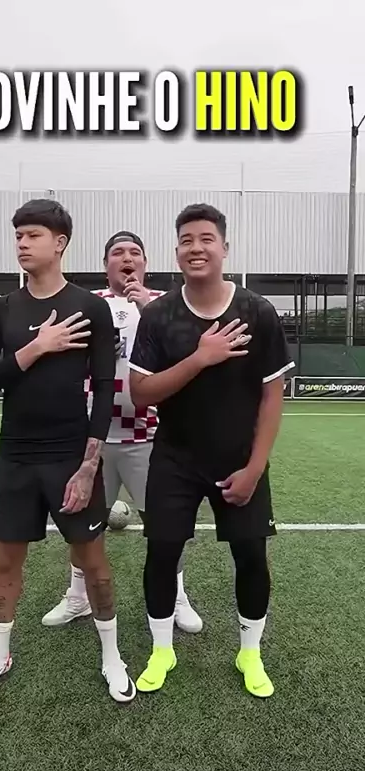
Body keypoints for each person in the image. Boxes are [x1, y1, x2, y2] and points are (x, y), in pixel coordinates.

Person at [0, 198, 136, 704]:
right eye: (18, 234)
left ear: (59, 243)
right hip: (14, 456)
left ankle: (112, 656)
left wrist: (88, 465)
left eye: (32, 234)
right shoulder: (1, 309)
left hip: (69, 456)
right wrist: (37, 347)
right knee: (5, 561)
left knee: (94, 562)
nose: (21, 243)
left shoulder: (91, 307)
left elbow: (106, 387)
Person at [129, 203, 295, 698]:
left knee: (251, 556)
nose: (195, 248)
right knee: (162, 554)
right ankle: (162, 650)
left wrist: (255, 468)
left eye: (206, 239)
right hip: (175, 459)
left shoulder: (257, 312)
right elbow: (141, 393)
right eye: (186, 240)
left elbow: (272, 396)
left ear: (225, 247)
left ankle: (250, 653)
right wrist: (200, 358)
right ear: (176, 250)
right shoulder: (158, 315)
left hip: (239, 461)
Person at [41, 231, 203, 633]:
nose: (127, 258)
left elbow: (192, 357)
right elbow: (63, 360)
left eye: (134, 253)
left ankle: (177, 596)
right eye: (118, 252)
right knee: (82, 526)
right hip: (91, 439)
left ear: (145, 264)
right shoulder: (87, 305)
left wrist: (149, 308)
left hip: (149, 437)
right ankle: (78, 596)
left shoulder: (166, 304)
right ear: (106, 264)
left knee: (166, 525)